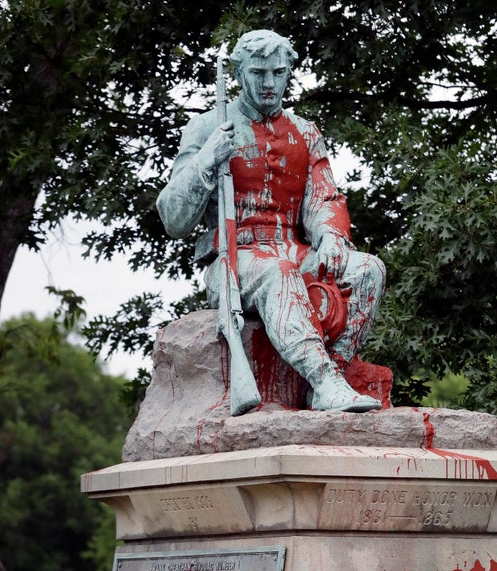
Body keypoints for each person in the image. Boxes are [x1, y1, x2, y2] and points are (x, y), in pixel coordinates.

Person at [157, 29, 386, 413]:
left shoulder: (305, 131)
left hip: (294, 252)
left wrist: (331, 236)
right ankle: (324, 381)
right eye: (258, 73)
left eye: (278, 72)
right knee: (278, 272)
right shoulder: (206, 127)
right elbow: (173, 219)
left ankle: (333, 378)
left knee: (368, 269)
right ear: (239, 72)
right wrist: (206, 160)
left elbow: (325, 197)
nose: (268, 83)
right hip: (233, 261)